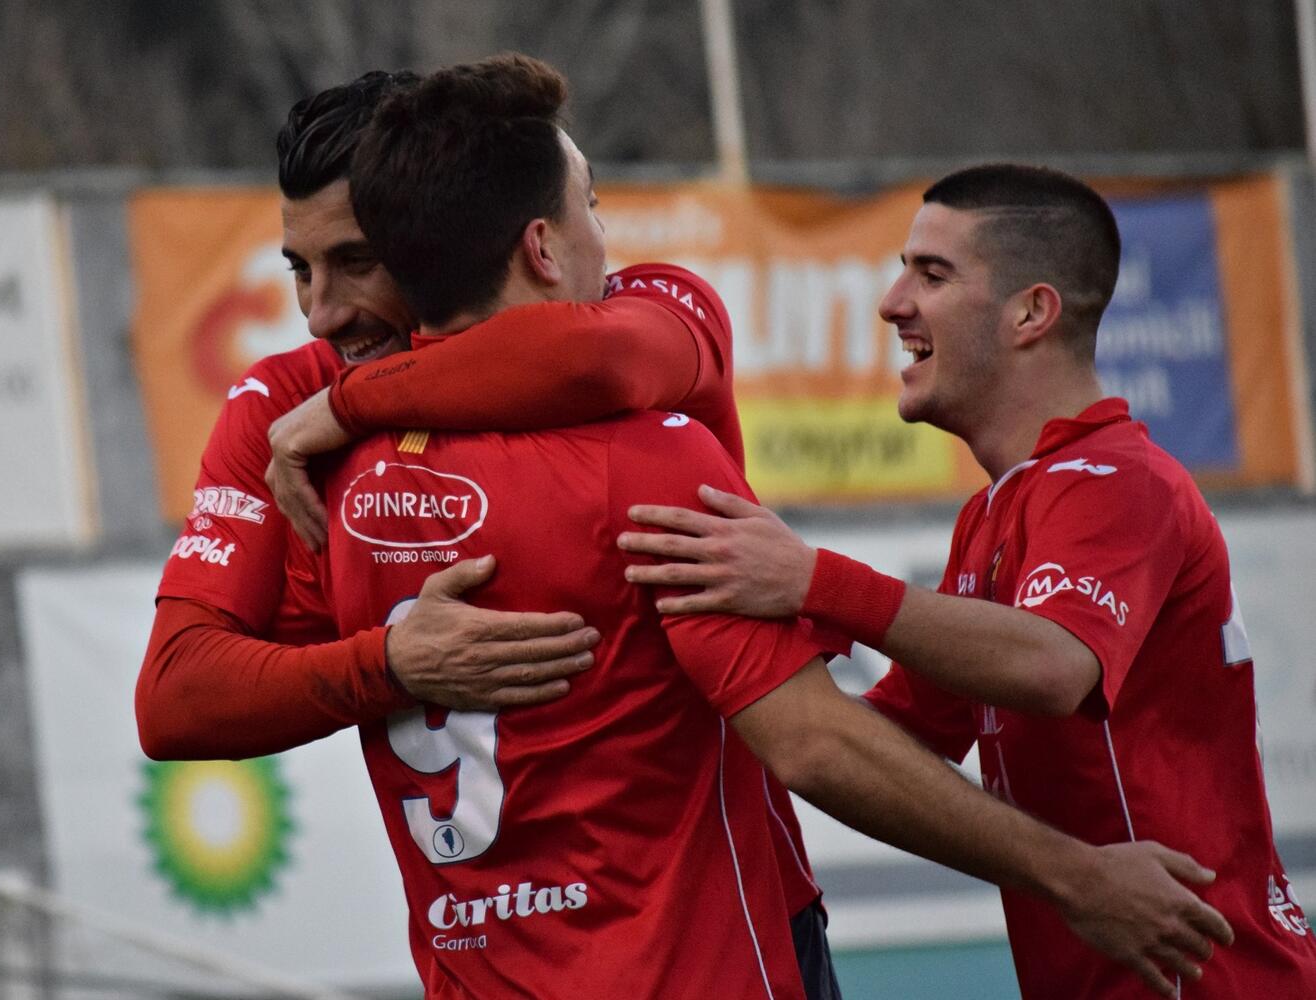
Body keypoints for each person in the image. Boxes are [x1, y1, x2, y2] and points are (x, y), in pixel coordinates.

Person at [299, 55, 1230, 998]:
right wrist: (1075, 875)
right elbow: (823, 743)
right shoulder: (647, 453)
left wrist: (349, 428)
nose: (892, 302)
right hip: (695, 972)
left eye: (931, 273)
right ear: (543, 247)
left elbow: (201, 693)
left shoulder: (335, 479)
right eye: (593, 209)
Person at [133, 69, 844, 994]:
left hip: (725, 938)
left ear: (431, 229)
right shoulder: (282, 407)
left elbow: (593, 360)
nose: (320, 312)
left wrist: (353, 403)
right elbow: (175, 697)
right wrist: (390, 664)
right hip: (489, 969)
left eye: (356, 261)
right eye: (300, 270)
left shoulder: (640, 308)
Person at [615, 163, 1316, 998]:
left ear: (1031, 313)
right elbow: (882, 746)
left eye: (932, 274)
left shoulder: (1119, 480)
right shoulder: (993, 514)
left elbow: (1052, 665)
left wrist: (810, 580)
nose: (892, 303)